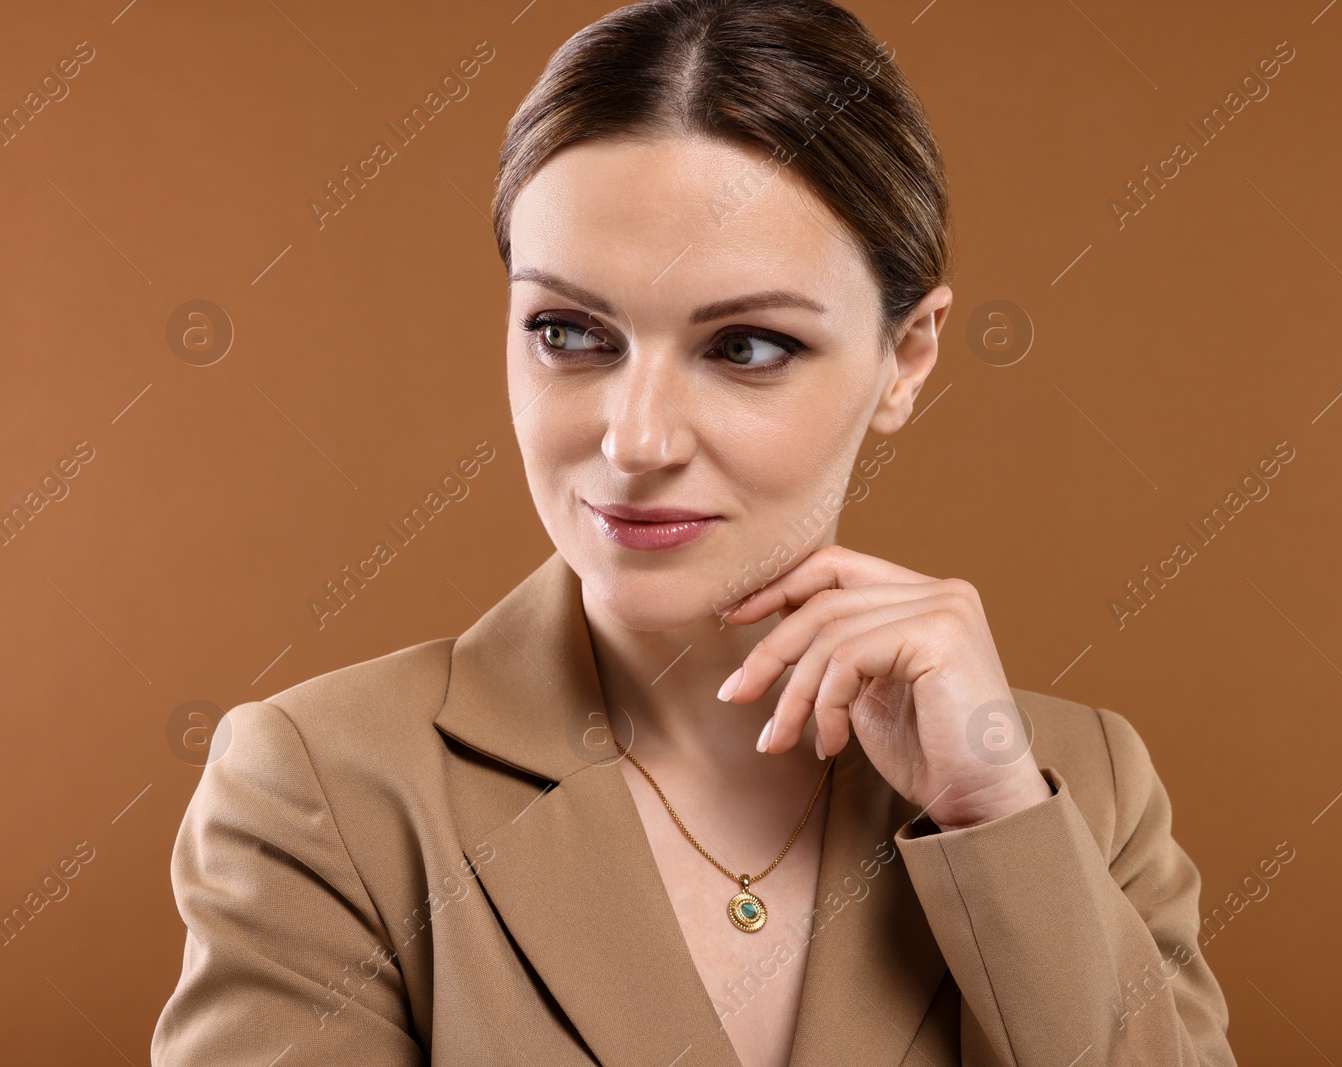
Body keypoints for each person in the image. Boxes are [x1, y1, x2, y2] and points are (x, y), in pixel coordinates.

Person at [152, 1, 1237, 1064]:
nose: (635, 439)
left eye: (748, 346)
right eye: (568, 332)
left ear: (906, 357)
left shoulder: (1073, 788)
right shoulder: (325, 787)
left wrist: (992, 813)